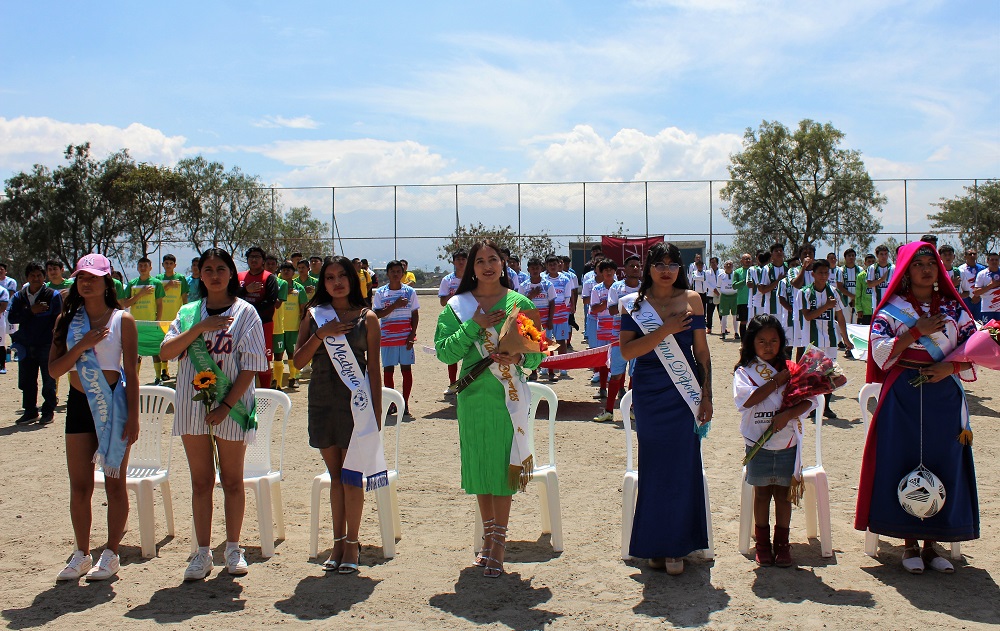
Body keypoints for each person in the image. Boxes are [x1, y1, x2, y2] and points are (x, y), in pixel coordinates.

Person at [855, 241, 979, 575]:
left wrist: (949, 369)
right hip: (903, 394)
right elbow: (880, 352)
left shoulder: (955, 310)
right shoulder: (891, 308)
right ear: (906, 272)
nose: (926, 268)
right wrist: (914, 332)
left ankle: (933, 542)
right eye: (918, 263)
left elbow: (975, 349)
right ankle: (908, 541)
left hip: (944, 396)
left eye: (932, 263)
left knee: (943, 461)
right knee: (902, 458)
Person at [434, 240, 545, 578]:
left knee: (503, 466)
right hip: (473, 398)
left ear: (503, 263)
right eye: (479, 261)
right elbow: (445, 354)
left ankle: (497, 543)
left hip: (507, 396)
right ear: (470, 268)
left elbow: (538, 352)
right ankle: (489, 537)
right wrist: (475, 325)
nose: (487, 266)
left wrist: (519, 357)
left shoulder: (519, 302)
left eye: (493, 259)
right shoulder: (457, 306)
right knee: (482, 465)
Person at [159, 248, 269, 581]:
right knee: (201, 482)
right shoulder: (188, 312)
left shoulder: (245, 312)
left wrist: (224, 406)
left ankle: (233, 548)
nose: (215, 274)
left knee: (233, 481)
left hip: (232, 408)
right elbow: (167, 350)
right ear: (200, 275)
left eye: (221, 268)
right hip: (193, 407)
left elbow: (251, 366)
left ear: (231, 274)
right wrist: (200, 327)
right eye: (208, 269)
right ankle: (203, 552)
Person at [619, 242, 713, 575]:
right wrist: (665, 330)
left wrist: (707, 394)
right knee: (654, 467)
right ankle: (653, 546)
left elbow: (702, 353)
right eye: (659, 263)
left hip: (683, 395)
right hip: (649, 393)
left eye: (673, 264)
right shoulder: (633, 304)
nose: (666, 270)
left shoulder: (692, 299)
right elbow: (628, 352)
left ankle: (677, 547)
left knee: (683, 467)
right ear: (649, 267)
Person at [49, 253, 140, 581]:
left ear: (107, 282)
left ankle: (111, 553)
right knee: (80, 486)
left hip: (114, 407)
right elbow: (55, 369)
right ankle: (81, 553)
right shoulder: (66, 321)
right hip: (78, 406)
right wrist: (81, 346)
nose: (86, 282)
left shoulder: (122, 320)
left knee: (115, 485)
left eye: (93, 277)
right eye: (81, 277)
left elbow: (131, 370)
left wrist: (134, 417)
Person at [293, 256, 384, 574]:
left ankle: (352, 545)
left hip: (354, 406)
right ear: (323, 282)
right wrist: (322, 333)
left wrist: (375, 413)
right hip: (322, 402)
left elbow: (374, 369)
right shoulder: (314, 315)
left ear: (352, 279)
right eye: (330, 277)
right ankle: (337, 542)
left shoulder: (368, 317)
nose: (336, 282)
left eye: (342, 276)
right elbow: (297, 361)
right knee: (335, 477)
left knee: (351, 478)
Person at [734, 315, 817, 567]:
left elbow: (810, 400)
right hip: (757, 442)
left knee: (783, 496)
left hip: (786, 442)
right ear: (751, 343)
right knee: (762, 495)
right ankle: (762, 543)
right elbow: (747, 400)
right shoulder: (744, 372)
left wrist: (789, 415)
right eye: (762, 341)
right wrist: (775, 381)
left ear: (781, 342)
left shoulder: (792, 369)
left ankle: (782, 544)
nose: (768, 346)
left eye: (773, 340)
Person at [796, 259, 853, 416]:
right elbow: (807, 316)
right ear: (813, 274)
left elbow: (840, 317)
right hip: (812, 338)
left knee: (830, 372)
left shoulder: (834, 292)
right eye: (820, 272)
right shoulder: (805, 293)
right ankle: (812, 407)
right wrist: (826, 306)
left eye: (826, 272)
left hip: (830, 338)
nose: (823, 276)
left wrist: (846, 339)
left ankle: (826, 407)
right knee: (813, 373)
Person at [8, 262, 63, 425]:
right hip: (26, 344)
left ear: (43, 277)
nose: (36, 278)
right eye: (32, 275)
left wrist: (57, 342)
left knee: (48, 379)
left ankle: (48, 411)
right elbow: (12, 317)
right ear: (27, 278)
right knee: (27, 380)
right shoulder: (19, 296)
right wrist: (30, 311)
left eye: (39, 275)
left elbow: (58, 318)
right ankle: (30, 411)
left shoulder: (52, 295)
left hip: (46, 344)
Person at [372, 260, 419, 416]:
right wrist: (395, 305)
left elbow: (415, 314)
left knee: (406, 369)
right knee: (388, 370)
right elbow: (377, 314)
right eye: (392, 271)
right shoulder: (380, 293)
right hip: (387, 337)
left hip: (405, 336)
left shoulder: (409, 292)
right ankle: (392, 403)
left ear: (403, 273)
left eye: (399, 271)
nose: (396, 274)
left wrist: (412, 334)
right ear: (387, 273)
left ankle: (404, 403)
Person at [238, 247, 279, 388]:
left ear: (263, 260)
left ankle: (266, 391)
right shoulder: (240, 277)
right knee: (242, 357)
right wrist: (245, 290)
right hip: (242, 324)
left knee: (265, 359)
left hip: (264, 324)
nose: (254, 260)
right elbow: (231, 296)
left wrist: (251, 313)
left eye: (257, 257)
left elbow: (271, 301)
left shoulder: (269, 278)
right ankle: (242, 390)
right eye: (251, 257)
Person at [122, 257, 164, 382]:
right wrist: (140, 293)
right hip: (135, 323)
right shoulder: (132, 284)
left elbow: (160, 304)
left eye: (146, 266)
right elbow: (126, 303)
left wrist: (158, 321)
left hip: (151, 323)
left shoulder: (156, 283)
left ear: (150, 268)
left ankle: (158, 377)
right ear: (137, 267)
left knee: (156, 351)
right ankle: (135, 378)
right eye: (140, 265)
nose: (143, 268)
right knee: (136, 352)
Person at [517, 257, 555, 381]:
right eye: (532, 268)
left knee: (547, 345)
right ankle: (534, 372)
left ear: (541, 269)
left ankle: (551, 371)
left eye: (537, 268)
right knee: (533, 346)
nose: (534, 270)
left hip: (544, 320)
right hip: (530, 323)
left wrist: (550, 319)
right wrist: (531, 296)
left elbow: (552, 303)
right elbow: (520, 304)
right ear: (528, 269)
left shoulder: (548, 284)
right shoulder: (523, 286)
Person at [154, 254, 190, 383]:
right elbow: (155, 294)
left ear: (175, 265)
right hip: (162, 317)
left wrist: (186, 314)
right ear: (163, 265)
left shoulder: (180, 278)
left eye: (171, 263)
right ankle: (164, 371)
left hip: (176, 317)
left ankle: (181, 371)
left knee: (180, 345)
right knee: (162, 345)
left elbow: (184, 297)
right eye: (166, 263)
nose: (168, 265)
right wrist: (167, 285)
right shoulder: (158, 279)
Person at [589, 260, 619, 405]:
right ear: (601, 272)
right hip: (602, 328)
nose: (608, 272)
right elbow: (594, 309)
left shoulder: (620, 287)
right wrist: (607, 303)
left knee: (618, 359)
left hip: (618, 327)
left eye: (611, 269)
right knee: (602, 359)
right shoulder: (596, 289)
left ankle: (620, 388)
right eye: (605, 270)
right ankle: (602, 388)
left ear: (615, 271)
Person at [439, 249, 468, 393]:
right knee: (453, 351)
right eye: (458, 259)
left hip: (470, 318)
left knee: (471, 351)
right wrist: (454, 296)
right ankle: (453, 384)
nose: (461, 262)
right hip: (453, 319)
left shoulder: (473, 278)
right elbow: (443, 302)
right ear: (453, 261)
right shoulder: (447, 280)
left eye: (464, 259)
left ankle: (468, 382)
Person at [278, 262, 307, 388]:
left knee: (292, 353)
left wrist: (302, 323)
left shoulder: (299, 288)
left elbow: (303, 307)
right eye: (283, 270)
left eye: (289, 270)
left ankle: (293, 377)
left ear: (293, 272)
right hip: (278, 326)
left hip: (293, 326)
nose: (286, 272)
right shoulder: (276, 286)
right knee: (277, 354)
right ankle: (277, 380)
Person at [835, 249, 861, 326]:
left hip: (857, 301)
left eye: (853, 255)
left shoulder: (860, 269)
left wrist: (856, 298)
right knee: (846, 323)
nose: (851, 257)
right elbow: (840, 286)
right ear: (845, 258)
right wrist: (852, 296)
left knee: (856, 323)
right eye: (849, 256)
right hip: (845, 301)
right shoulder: (841, 270)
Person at [958, 249, 985, 321]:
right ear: (965, 256)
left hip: (980, 299)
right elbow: (960, 286)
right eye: (970, 254)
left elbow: (985, 284)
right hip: (966, 299)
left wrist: (978, 295)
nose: (972, 256)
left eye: (974, 254)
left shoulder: (982, 269)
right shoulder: (960, 269)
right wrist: (971, 296)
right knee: (967, 321)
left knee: (980, 322)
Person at [972, 252, 1000, 321]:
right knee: (988, 330)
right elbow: (976, 293)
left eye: (996, 260)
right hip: (987, 309)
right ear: (987, 261)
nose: (994, 262)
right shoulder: (982, 274)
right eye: (992, 260)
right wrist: (990, 286)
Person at [865, 244, 895, 309]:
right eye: (881, 254)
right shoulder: (872, 268)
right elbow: (869, 284)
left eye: (886, 254)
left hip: (891, 303)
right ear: (877, 255)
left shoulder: (893, 268)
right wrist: (882, 279)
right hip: (877, 303)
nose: (884, 256)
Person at [716, 260, 738, 340]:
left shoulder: (736, 274)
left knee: (735, 316)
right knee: (724, 316)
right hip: (724, 297)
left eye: (730, 264)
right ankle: (723, 332)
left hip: (734, 297)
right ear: (724, 266)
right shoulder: (720, 276)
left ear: (733, 266)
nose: (729, 265)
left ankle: (736, 333)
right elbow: (718, 287)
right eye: (727, 264)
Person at [733, 253, 752, 340]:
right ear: (741, 261)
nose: (748, 261)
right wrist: (744, 281)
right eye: (746, 259)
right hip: (742, 300)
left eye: (749, 259)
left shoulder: (754, 270)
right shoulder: (737, 272)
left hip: (753, 300)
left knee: (754, 322)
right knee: (743, 321)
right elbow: (734, 285)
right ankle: (743, 341)